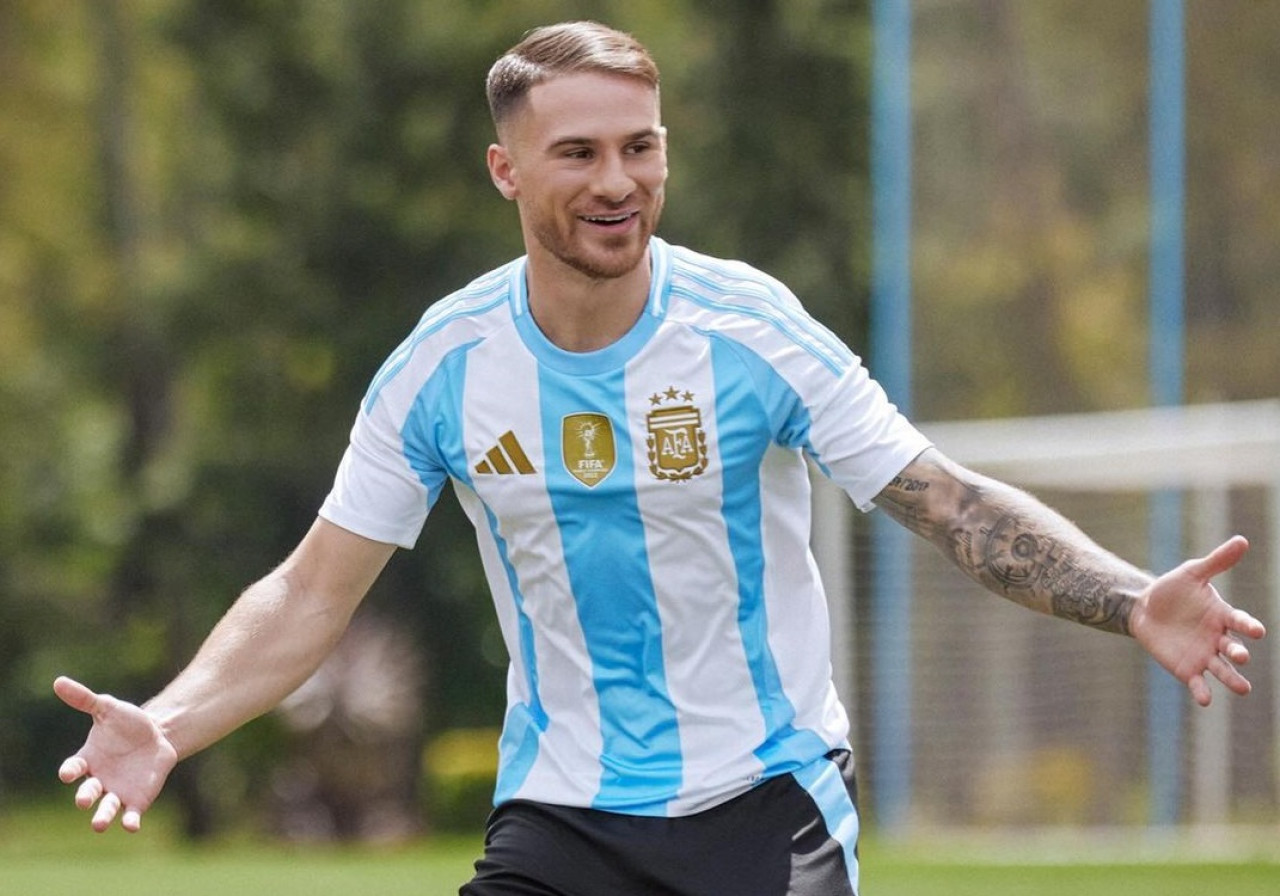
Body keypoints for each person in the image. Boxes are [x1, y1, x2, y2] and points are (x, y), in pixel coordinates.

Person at [55, 20, 1265, 896]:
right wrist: (170, 721)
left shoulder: (751, 332)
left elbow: (944, 502)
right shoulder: (443, 366)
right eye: (576, 153)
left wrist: (1122, 597)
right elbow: (313, 587)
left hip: (765, 804)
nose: (617, 181)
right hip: (560, 819)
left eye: (639, 147)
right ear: (506, 169)